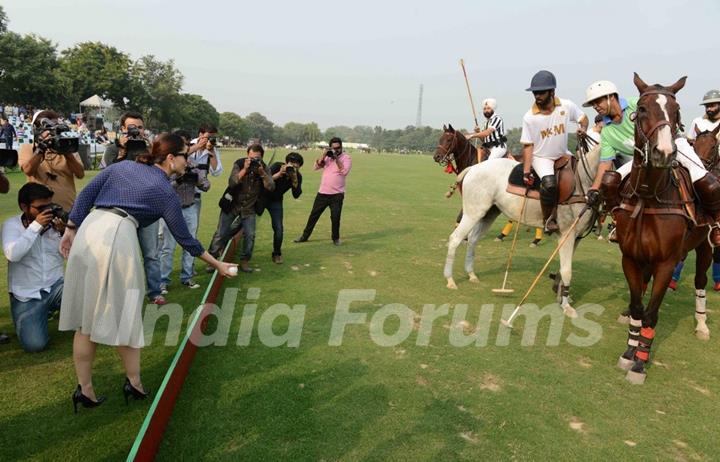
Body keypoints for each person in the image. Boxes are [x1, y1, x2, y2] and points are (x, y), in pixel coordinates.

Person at [58, 133, 237, 412]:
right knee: (127, 315)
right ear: (169, 158)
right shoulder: (165, 190)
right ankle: (134, 383)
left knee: (85, 320)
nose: (187, 162)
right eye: (184, 157)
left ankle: (86, 390)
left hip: (89, 230)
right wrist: (218, 264)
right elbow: (185, 238)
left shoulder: (122, 166)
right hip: (118, 236)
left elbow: (87, 194)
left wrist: (71, 229)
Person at [582, 80, 720, 246]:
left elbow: (664, 107)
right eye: (592, 104)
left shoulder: (638, 103)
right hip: (641, 158)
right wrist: (594, 189)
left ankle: (715, 223)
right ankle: (619, 222)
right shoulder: (607, 132)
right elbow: (605, 164)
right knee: (609, 181)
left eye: (598, 101)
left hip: (674, 145)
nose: (595, 106)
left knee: (708, 182)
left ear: (611, 97)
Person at [520, 70, 588, 234]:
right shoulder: (529, 117)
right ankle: (548, 220)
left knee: (584, 174)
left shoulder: (566, 105)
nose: (537, 96)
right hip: (541, 157)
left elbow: (583, 118)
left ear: (552, 91)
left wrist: (583, 129)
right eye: (535, 93)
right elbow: (528, 146)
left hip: (563, 154)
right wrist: (527, 171)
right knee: (549, 184)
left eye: (541, 92)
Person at [1, 183, 64, 352]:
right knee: (35, 345)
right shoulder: (12, 225)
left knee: (83, 294)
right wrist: (35, 226)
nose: (47, 212)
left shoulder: (55, 225)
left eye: (49, 206)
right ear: (24, 206)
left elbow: (69, 256)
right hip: (27, 295)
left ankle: (57, 312)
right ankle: (40, 315)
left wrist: (64, 234)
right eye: (41, 208)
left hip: (56, 286)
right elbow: (13, 254)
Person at [669, 90, 720, 290]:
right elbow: (689, 144)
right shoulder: (698, 122)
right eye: (708, 105)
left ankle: (717, 277)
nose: (710, 107)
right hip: (698, 168)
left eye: (714, 104)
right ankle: (673, 275)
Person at [208, 144, 274, 273]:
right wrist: (245, 169)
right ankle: (213, 260)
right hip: (233, 205)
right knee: (221, 232)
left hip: (249, 208)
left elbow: (271, 187)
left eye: (257, 158)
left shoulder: (264, 168)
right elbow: (232, 182)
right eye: (251, 158)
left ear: (262, 158)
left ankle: (245, 261)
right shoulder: (239, 163)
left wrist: (262, 173)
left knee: (250, 235)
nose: (254, 161)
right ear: (247, 155)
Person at [159, 131, 211, 293]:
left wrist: (196, 178)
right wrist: (178, 180)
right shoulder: (167, 164)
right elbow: (161, 187)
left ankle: (187, 277)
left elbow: (207, 186)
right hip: (170, 210)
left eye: (187, 145)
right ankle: (163, 281)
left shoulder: (194, 164)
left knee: (191, 244)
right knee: (168, 247)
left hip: (190, 208)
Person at [19, 110, 85, 212]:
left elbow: (80, 174)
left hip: (67, 210)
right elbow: (28, 170)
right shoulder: (28, 147)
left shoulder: (67, 146)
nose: (52, 133)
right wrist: (41, 149)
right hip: (39, 212)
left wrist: (67, 152)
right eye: (49, 129)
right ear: (37, 130)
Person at [294, 137, 352, 245]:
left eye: (338, 148)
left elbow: (344, 171)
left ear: (341, 147)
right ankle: (304, 236)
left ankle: (336, 239)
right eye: (334, 148)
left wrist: (336, 158)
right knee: (313, 215)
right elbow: (315, 167)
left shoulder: (346, 158)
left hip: (337, 194)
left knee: (335, 217)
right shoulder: (327, 157)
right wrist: (324, 155)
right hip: (323, 193)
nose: (336, 150)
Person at [263, 152, 304, 263]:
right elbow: (264, 180)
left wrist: (294, 179)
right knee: (245, 221)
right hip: (262, 197)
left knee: (279, 228)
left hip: (276, 201)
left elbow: (296, 195)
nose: (293, 166)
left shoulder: (297, 176)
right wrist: (279, 174)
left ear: (299, 167)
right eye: (291, 163)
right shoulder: (277, 166)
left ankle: (277, 254)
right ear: (286, 163)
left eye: (297, 164)